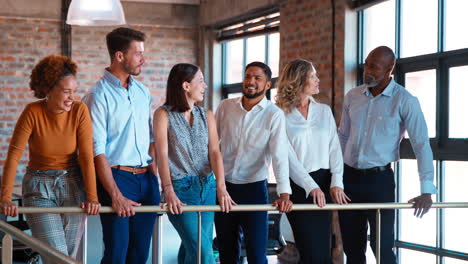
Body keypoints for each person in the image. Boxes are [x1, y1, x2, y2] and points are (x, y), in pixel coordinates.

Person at [338, 46, 437, 264]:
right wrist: (335, 178)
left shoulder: (405, 100)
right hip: (348, 179)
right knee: (352, 248)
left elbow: (421, 145)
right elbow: (342, 137)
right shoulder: (353, 96)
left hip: (379, 181)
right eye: (366, 64)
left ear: (390, 69)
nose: (367, 70)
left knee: (381, 247)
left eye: (374, 67)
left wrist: (427, 190)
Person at [0, 55, 100, 263]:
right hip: (39, 187)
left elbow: (86, 157)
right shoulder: (32, 112)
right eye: (66, 91)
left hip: (73, 186)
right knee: (58, 257)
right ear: (48, 89)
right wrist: (5, 197)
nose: (72, 97)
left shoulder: (80, 111)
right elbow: (14, 155)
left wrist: (92, 196)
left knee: (68, 258)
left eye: (74, 91)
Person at [82, 27, 160, 264]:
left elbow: (151, 138)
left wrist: (156, 175)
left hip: (146, 180)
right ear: (119, 56)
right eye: (137, 54)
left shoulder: (143, 92)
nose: (143, 60)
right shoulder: (98, 95)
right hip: (118, 178)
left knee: (139, 255)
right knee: (116, 254)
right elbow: (97, 151)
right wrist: (115, 194)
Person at [153, 63, 236, 264]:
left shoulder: (206, 114)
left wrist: (221, 188)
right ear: (186, 86)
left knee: (192, 251)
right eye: (200, 81)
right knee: (204, 253)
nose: (205, 85)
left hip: (207, 188)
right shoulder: (163, 114)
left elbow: (215, 152)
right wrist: (168, 189)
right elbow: (161, 154)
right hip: (180, 190)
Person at [214, 61, 293, 264]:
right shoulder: (225, 107)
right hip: (224, 188)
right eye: (248, 76)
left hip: (254, 189)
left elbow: (279, 156)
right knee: (227, 251)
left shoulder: (274, 114)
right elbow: (213, 146)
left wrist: (284, 194)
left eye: (257, 78)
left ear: (267, 85)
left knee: (257, 254)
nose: (251, 82)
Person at [276, 58, 350, 264]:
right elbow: (286, 158)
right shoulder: (280, 114)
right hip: (299, 187)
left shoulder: (323, 111)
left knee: (322, 251)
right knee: (310, 251)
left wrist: (337, 182)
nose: (318, 80)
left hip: (324, 183)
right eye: (313, 76)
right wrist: (311, 187)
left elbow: (335, 149)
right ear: (299, 80)